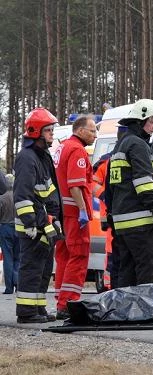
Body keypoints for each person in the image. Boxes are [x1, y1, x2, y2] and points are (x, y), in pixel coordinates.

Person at [108, 99, 153, 287]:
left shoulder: (121, 145)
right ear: (140, 121)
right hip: (142, 221)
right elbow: (144, 183)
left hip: (123, 222)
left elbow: (112, 186)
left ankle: (125, 312)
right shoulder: (138, 145)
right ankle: (150, 314)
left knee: (128, 271)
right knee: (152, 269)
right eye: (152, 122)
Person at [14, 107, 63, 323]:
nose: (52, 134)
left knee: (43, 270)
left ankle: (38, 308)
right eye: (49, 130)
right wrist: (30, 222)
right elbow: (22, 194)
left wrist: (56, 216)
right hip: (33, 226)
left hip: (45, 223)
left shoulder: (42, 157)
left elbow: (50, 191)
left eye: (52, 130)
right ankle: (26, 312)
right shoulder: (27, 157)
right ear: (36, 132)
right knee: (32, 268)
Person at [53, 115, 96, 319]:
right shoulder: (77, 150)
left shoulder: (62, 147)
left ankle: (60, 300)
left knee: (63, 255)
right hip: (73, 213)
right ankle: (68, 302)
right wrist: (81, 210)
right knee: (78, 255)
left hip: (61, 212)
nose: (95, 135)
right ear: (80, 131)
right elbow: (75, 184)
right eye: (92, 130)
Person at [93, 125, 128, 290]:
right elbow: (93, 182)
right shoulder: (106, 161)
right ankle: (109, 286)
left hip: (125, 213)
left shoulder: (133, 156)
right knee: (111, 252)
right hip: (109, 214)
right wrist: (104, 195)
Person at [0, 174, 20, 294]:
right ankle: (17, 284)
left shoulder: (2, 198)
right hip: (18, 228)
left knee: (8, 257)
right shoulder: (19, 196)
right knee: (18, 258)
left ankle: (9, 288)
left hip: (5, 228)